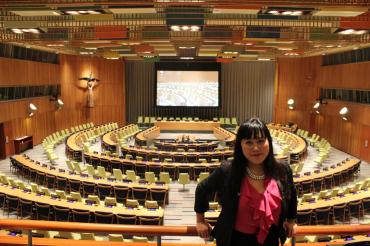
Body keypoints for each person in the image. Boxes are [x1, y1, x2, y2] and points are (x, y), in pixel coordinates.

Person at [194, 118, 297, 246]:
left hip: (270, 240)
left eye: (260, 141)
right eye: (249, 142)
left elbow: (292, 193)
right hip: (235, 241)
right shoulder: (228, 170)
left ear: (269, 142)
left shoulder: (283, 169)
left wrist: (291, 220)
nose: (255, 148)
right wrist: (200, 221)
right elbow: (202, 188)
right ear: (240, 145)